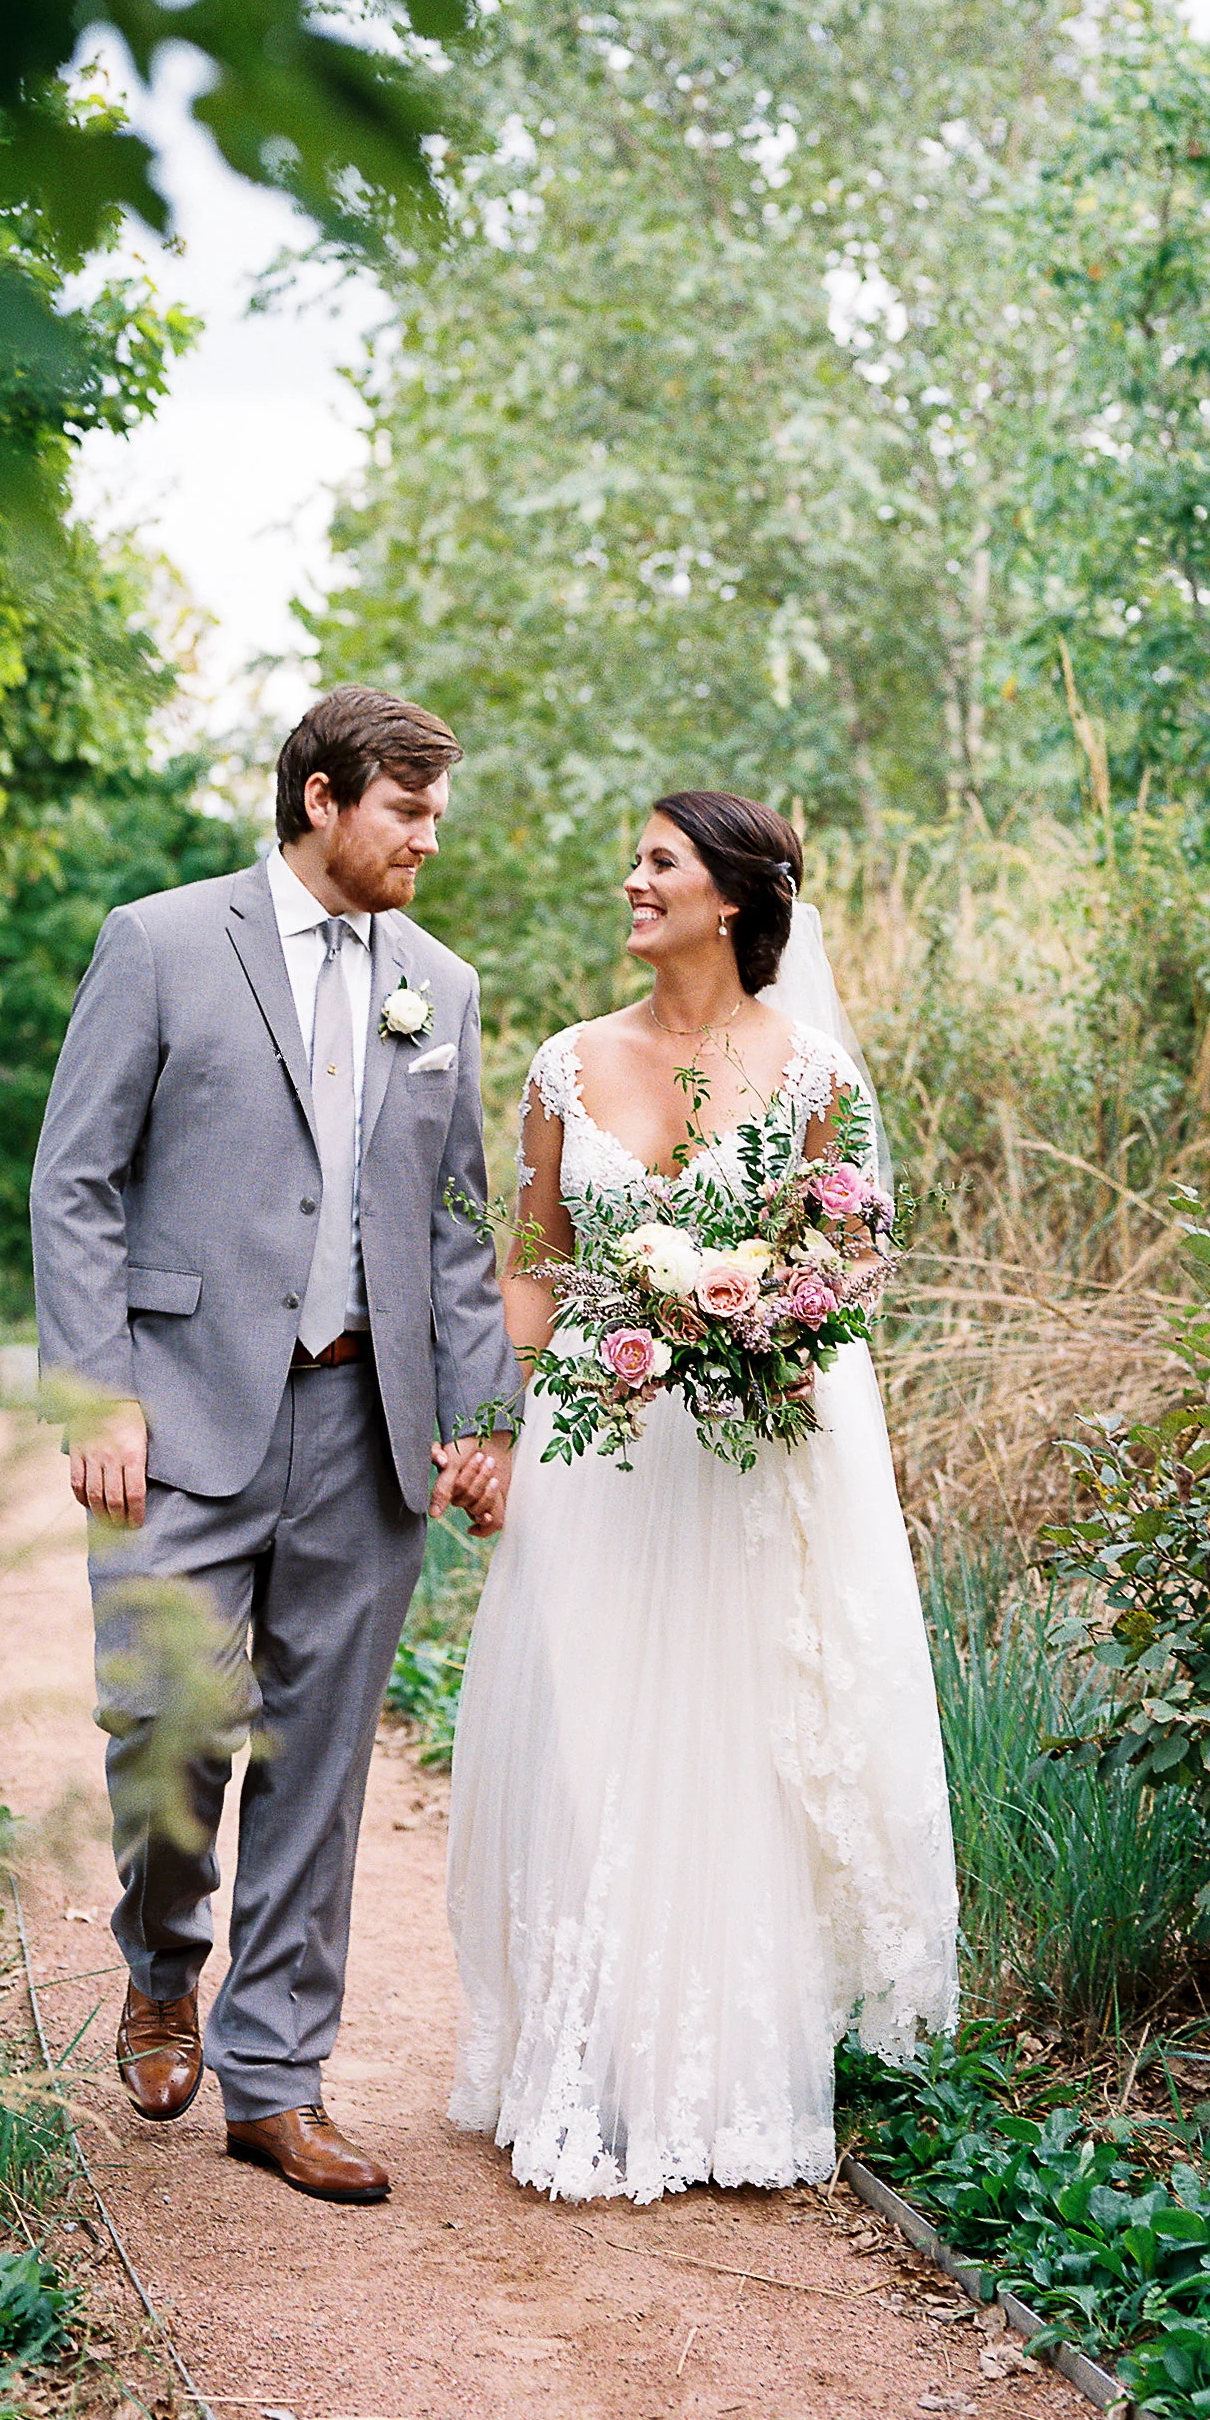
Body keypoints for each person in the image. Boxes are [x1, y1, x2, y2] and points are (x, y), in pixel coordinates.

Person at [31, 685, 520, 2206]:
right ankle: (163, 1962)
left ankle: (278, 2078)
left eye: (435, 813)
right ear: (321, 798)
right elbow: (77, 1182)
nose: (429, 838)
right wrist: (96, 1391)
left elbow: (456, 1226)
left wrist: (484, 1416)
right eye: (408, 810)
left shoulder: (440, 986)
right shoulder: (161, 942)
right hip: (176, 1411)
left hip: (367, 1424)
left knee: (318, 1757)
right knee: (166, 1717)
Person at [446, 792, 959, 2205]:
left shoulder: (813, 1079)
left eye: (658, 862)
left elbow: (850, 1265)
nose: (632, 880)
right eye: (635, 859)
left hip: (745, 1447)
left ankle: (723, 2078)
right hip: (597, 1447)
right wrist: (497, 1430)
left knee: (728, 1749)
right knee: (587, 1737)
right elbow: (531, 1268)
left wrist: (755, 1323)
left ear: (730, 896)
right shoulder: (566, 1064)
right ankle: (585, 2063)